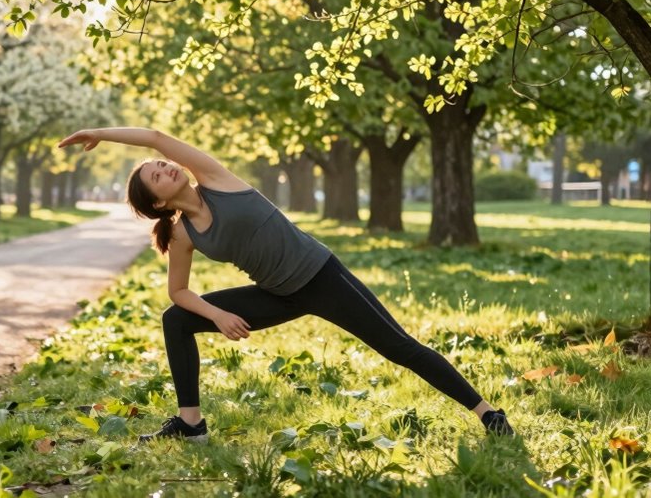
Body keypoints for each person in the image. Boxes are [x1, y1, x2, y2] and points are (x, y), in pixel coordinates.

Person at [58, 127, 515, 442]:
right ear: (157, 200)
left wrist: (103, 133)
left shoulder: (215, 179)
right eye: (157, 176)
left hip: (321, 275)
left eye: (162, 165)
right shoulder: (180, 233)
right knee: (176, 319)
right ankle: (191, 422)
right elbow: (178, 292)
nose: (165, 168)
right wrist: (217, 314)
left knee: (399, 347)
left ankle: (487, 413)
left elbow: (157, 137)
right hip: (277, 294)